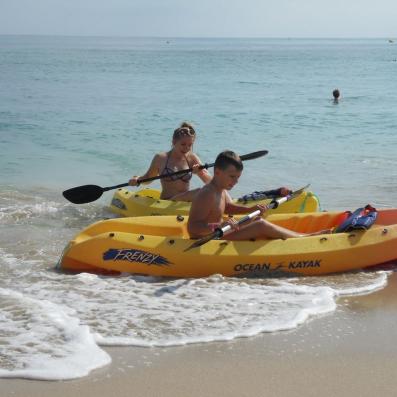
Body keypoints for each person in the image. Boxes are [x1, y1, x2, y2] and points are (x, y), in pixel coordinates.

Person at [187, 150, 330, 240]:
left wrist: (250, 209)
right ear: (217, 172)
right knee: (260, 225)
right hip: (208, 239)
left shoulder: (220, 189)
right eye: (232, 176)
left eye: (237, 177)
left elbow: (228, 208)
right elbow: (192, 227)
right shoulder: (206, 193)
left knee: (256, 219)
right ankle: (304, 238)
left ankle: (292, 237)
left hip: (220, 233)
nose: (235, 181)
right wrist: (218, 226)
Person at [129, 122, 212, 200]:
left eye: (190, 145)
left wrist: (200, 172)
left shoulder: (192, 158)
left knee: (204, 191)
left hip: (183, 202)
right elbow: (147, 178)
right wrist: (137, 180)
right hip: (166, 202)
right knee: (199, 191)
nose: (186, 148)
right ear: (174, 142)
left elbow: (211, 182)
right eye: (183, 144)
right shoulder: (160, 158)